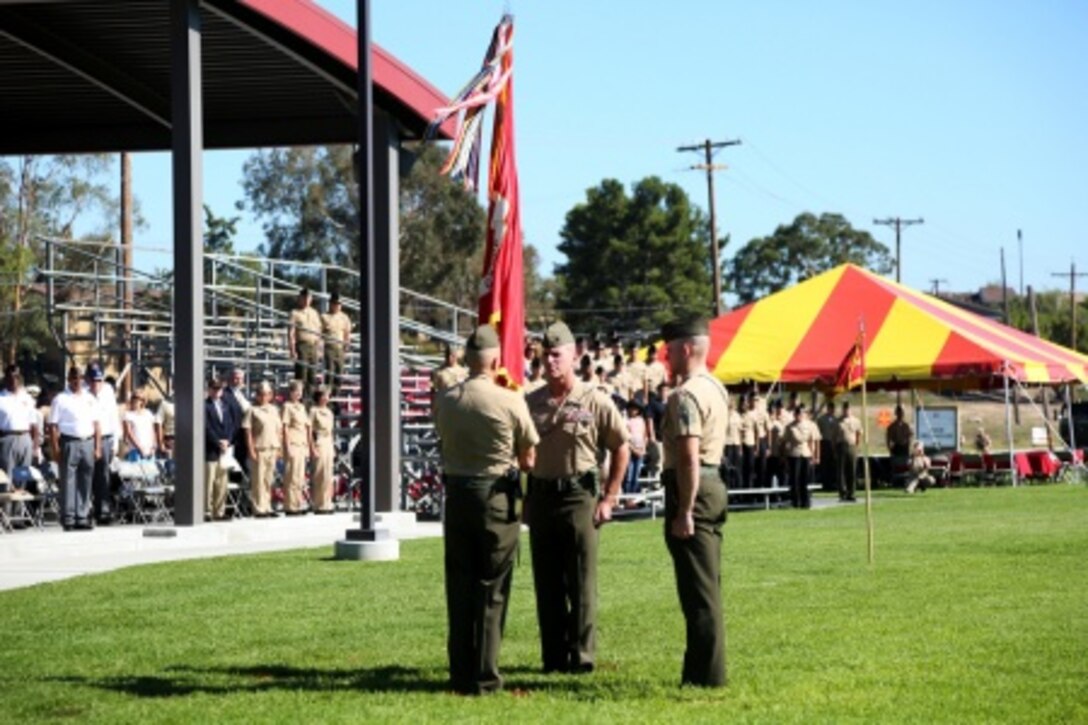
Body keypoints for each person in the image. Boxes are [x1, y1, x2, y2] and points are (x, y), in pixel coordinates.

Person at [433, 324, 539, 695]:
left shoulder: (447, 398)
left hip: (457, 495)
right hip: (495, 497)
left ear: (466, 357)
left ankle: (460, 672)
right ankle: (485, 675)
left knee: (459, 585)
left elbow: (443, 438)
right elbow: (528, 459)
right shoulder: (509, 400)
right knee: (492, 588)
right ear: (495, 360)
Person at [524, 321, 630, 674]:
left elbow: (621, 447)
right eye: (545, 355)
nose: (550, 362)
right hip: (541, 498)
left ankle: (582, 657)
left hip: (579, 498)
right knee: (547, 583)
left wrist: (610, 497)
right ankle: (553, 657)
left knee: (582, 582)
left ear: (573, 356)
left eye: (557, 355)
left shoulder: (595, 400)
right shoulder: (531, 402)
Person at [659, 317, 730, 687]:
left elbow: (687, 455)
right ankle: (701, 671)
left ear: (686, 349)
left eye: (669, 349)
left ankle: (706, 677)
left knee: (699, 593)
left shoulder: (685, 395)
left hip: (693, 488)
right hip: (714, 482)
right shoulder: (716, 387)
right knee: (708, 584)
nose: (665, 356)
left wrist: (684, 510)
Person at [48, 365, 101, 530]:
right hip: (69, 441)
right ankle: (69, 517)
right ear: (69, 379)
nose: (77, 381)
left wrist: (97, 446)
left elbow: (97, 424)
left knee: (86, 480)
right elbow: (53, 426)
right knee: (68, 481)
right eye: (73, 378)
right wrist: (55, 448)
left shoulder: (90, 398)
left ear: (83, 379)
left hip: (87, 441)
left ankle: (82, 516)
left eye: (79, 378)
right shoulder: (61, 399)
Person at [86, 363, 121, 524]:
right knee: (86, 476)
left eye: (99, 380)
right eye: (93, 380)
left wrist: (116, 442)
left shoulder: (108, 391)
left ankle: (103, 511)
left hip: (106, 437)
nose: (96, 384)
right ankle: (85, 511)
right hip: (88, 439)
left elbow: (114, 416)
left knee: (103, 477)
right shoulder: (83, 393)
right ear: (87, 379)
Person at [243, 381, 282, 518]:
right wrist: (251, 450)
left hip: (272, 447)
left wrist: (279, 448)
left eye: (267, 394)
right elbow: (247, 431)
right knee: (258, 480)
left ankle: (267, 506)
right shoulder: (252, 410)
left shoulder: (274, 410)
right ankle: (258, 508)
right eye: (261, 394)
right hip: (259, 448)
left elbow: (279, 430)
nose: (264, 396)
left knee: (268, 480)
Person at [204, 376, 236, 521]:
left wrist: (228, 441)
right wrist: (218, 441)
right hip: (211, 449)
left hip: (225, 449)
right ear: (209, 390)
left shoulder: (226, 405)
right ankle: (206, 511)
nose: (217, 391)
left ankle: (219, 511)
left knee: (222, 482)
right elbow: (206, 427)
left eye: (220, 389)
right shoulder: (205, 405)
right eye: (215, 388)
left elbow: (231, 425)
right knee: (208, 481)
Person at [0, 366, 38, 481]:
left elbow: (34, 424)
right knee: (7, 477)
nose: (13, 380)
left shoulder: (27, 398)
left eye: (16, 377)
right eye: (10, 377)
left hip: (25, 439)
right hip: (7, 438)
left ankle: (22, 498)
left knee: (23, 476)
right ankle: (7, 499)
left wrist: (35, 446)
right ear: (6, 379)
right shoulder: (1, 398)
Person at [280, 379, 310, 515]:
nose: (298, 393)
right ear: (291, 392)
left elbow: (305, 427)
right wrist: (287, 446)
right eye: (296, 390)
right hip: (292, 443)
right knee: (291, 476)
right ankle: (290, 506)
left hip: (301, 444)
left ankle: (298, 503)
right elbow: (284, 427)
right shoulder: (287, 406)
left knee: (299, 476)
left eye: (300, 391)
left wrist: (307, 446)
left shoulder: (302, 407)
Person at [783, 404, 820, 509]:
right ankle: (796, 502)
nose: (799, 416)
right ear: (795, 415)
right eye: (797, 413)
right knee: (795, 480)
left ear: (803, 414)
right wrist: (785, 456)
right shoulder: (790, 426)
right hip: (794, 454)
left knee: (805, 479)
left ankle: (805, 502)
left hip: (805, 453)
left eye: (801, 413)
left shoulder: (810, 425)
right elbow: (786, 441)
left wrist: (815, 455)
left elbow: (813, 441)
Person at [288, 288, 322, 398]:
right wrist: (292, 350)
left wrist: (319, 348)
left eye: (309, 297)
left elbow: (319, 332)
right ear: (300, 298)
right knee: (301, 375)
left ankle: (310, 401)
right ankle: (301, 400)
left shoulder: (315, 313)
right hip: (302, 345)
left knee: (312, 376)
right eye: (305, 297)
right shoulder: (294, 313)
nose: (307, 300)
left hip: (313, 346)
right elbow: (291, 333)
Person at [309, 386, 336, 514]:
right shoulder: (314, 411)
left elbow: (330, 431)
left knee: (328, 474)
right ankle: (318, 504)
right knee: (319, 474)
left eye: (327, 395)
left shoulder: (329, 412)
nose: (326, 398)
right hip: (318, 441)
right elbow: (309, 431)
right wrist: (312, 446)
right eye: (324, 395)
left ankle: (327, 502)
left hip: (328, 442)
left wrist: (333, 446)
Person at [321, 291, 352, 397]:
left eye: (339, 304)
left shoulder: (344, 317)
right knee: (329, 373)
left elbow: (347, 333)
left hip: (340, 347)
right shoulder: (324, 316)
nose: (338, 306)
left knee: (339, 374)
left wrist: (346, 345)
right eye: (335, 304)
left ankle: (336, 397)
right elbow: (320, 334)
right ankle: (326, 397)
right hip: (329, 346)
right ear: (331, 304)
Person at [222, 368, 251, 478]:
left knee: (243, 467)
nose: (238, 381)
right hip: (231, 438)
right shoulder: (224, 394)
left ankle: (242, 493)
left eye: (240, 379)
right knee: (232, 469)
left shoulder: (244, 395)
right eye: (236, 378)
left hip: (242, 438)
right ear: (230, 379)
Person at [836, 401, 862, 502]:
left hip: (852, 446)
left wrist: (857, 446)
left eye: (848, 408)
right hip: (841, 445)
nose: (846, 410)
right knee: (841, 471)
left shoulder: (856, 421)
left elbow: (859, 434)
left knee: (852, 470)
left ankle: (852, 493)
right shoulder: (838, 421)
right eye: (845, 408)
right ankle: (843, 492)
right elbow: (834, 436)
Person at [122, 390, 156, 460]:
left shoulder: (148, 413)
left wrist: (153, 447)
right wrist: (140, 448)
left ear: (143, 401)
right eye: (134, 397)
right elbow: (129, 433)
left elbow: (152, 431)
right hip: (135, 450)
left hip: (149, 450)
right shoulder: (128, 415)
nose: (136, 400)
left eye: (139, 398)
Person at [623, 400, 648, 495]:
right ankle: (627, 494)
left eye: (635, 409)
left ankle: (633, 494)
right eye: (631, 408)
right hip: (630, 449)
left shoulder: (641, 420)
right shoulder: (626, 421)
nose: (633, 411)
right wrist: (632, 449)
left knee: (636, 473)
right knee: (629, 473)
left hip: (640, 448)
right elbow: (625, 437)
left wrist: (643, 448)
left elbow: (644, 435)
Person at [816, 400, 839, 491]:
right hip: (825, 443)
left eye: (833, 409)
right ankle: (825, 484)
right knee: (825, 465)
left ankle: (832, 483)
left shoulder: (836, 420)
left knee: (832, 465)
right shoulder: (822, 419)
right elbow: (819, 431)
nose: (832, 410)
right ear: (828, 409)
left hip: (834, 443)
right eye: (830, 408)